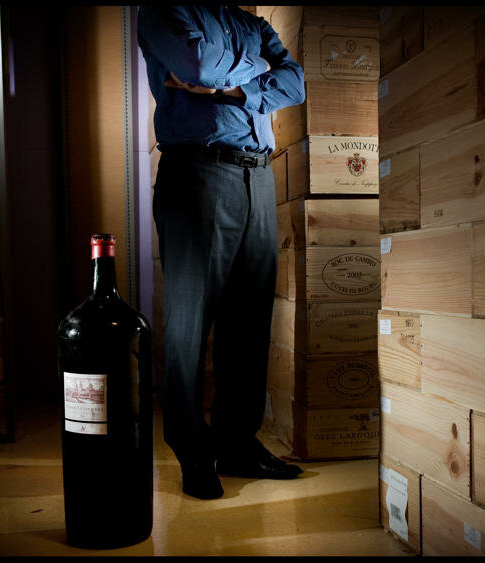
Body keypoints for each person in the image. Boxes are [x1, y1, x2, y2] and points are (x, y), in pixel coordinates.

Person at [137, 6, 306, 500]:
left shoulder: (253, 24)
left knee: (249, 321)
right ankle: (192, 452)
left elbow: (295, 84)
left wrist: (227, 88)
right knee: (190, 325)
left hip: (257, 174)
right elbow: (196, 65)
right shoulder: (164, 11)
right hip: (197, 171)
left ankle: (237, 444)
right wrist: (258, 71)